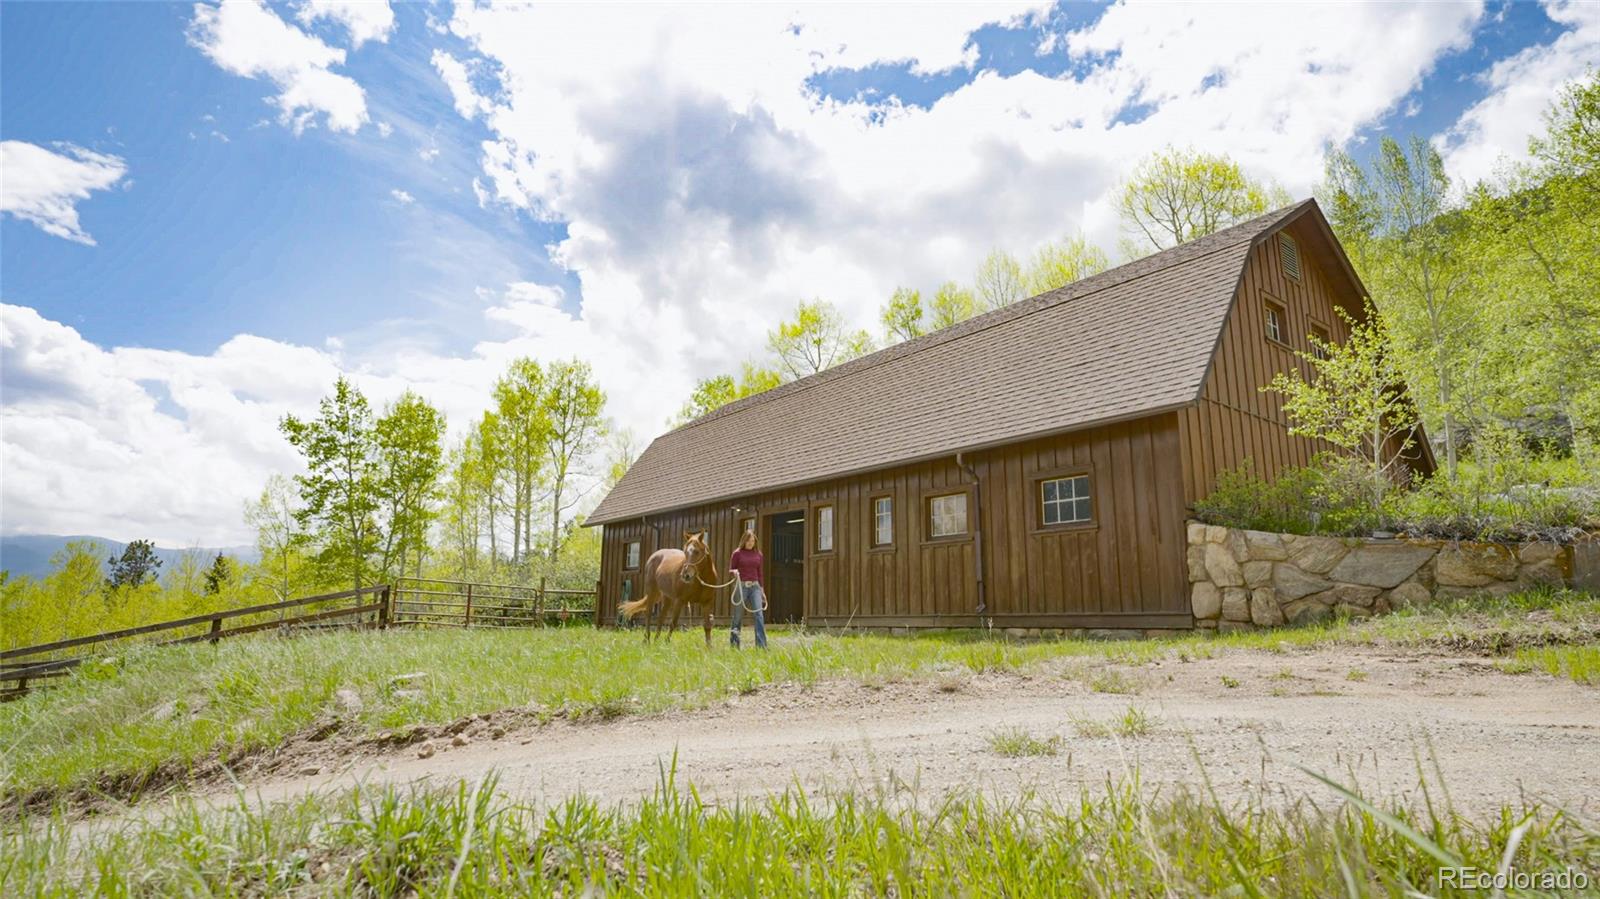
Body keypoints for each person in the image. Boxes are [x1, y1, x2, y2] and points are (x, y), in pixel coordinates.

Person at [727, 529, 767, 649]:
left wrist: (762, 591)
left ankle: (761, 646)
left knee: (759, 615)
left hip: (755, 587)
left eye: (753, 541)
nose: (751, 543)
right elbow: (731, 569)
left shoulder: (758, 554)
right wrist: (734, 572)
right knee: (738, 616)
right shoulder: (737, 553)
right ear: (744, 540)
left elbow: (760, 573)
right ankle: (734, 645)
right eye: (749, 541)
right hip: (741, 586)